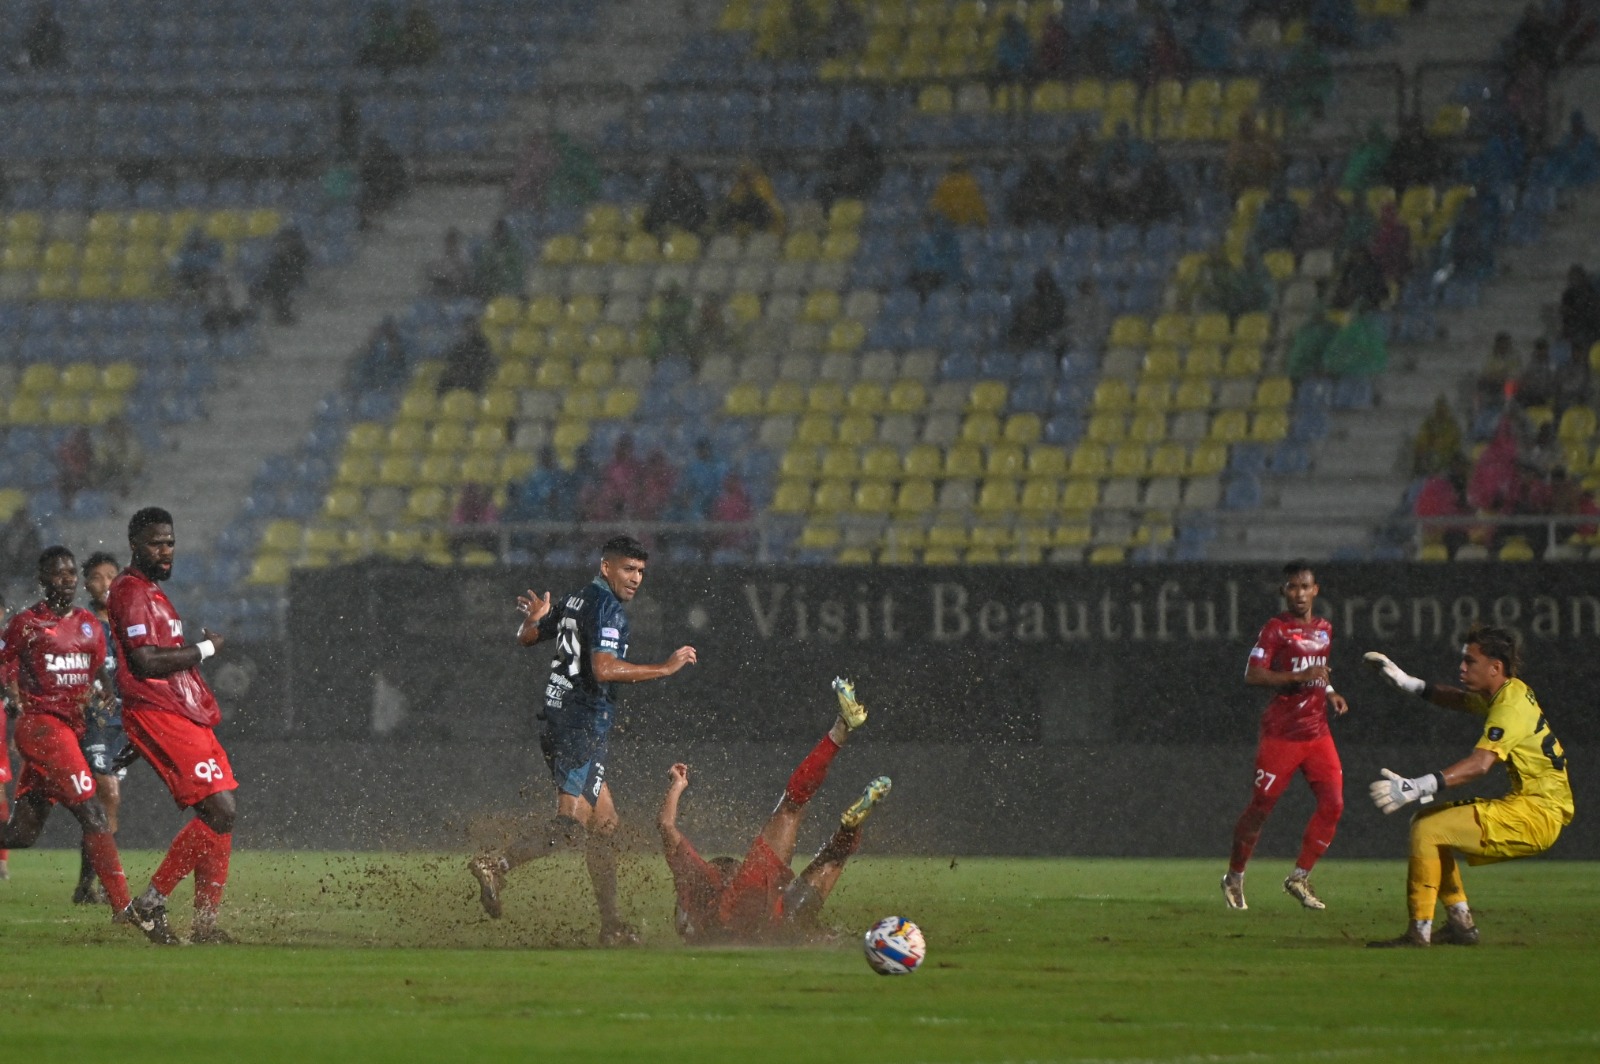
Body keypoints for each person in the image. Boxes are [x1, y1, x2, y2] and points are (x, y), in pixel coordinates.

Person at [468, 536, 698, 945]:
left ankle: (611, 925)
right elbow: (605, 669)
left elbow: (526, 637)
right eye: (629, 569)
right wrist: (664, 668)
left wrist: (533, 618)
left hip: (566, 719)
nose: (636, 579)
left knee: (605, 824)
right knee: (571, 826)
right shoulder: (607, 608)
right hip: (578, 726)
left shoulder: (577, 599)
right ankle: (496, 864)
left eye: (642, 571)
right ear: (606, 567)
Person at [1363, 625, 1573, 947]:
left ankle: (1418, 933)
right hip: (1534, 806)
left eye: (1470, 661)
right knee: (1427, 825)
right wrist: (1409, 683)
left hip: (1537, 814)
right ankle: (1461, 925)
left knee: (1428, 830)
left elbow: (1480, 764)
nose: (1462, 667)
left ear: (1495, 667)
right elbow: (1459, 700)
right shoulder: (1507, 691)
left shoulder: (1509, 706)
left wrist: (1418, 786)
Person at [659, 678, 891, 943]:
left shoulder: (693, 895)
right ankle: (841, 729)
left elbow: (665, 826)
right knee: (790, 807)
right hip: (747, 903)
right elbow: (665, 825)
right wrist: (677, 784)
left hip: (769, 922)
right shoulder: (706, 879)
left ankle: (850, 829)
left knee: (830, 862)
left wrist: (677, 786)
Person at [108, 507, 239, 945]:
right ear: (134, 546)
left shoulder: (153, 593)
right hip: (158, 711)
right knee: (219, 811)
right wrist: (205, 648)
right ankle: (150, 902)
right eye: (155, 543)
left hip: (182, 711)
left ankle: (204, 926)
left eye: (170, 542)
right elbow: (144, 662)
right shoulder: (128, 591)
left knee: (221, 816)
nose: (165, 551)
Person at [0, 548, 139, 932]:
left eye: (70, 573)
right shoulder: (26, 625)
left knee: (20, 834)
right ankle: (124, 907)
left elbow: (99, 669)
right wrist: (10, 693)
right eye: (57, 574)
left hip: (71, 730)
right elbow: (4, 661)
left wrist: (105, 691)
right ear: (43, 579)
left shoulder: (88, 625)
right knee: (93, 813)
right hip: (42, 727)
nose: (67, 579)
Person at [1222, 560, 1350, 912]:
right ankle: (1234, 875)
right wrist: (1298, 678)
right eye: (1292, 587)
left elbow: (1316, 670)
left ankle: (1299, 877)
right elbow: (1253, 674)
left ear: (1315, 590)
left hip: (1317, 733)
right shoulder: (1275, 629)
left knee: (1334, 804)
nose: (1299, 593)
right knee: (1261, 809)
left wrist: (1329, 692)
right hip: (1282, 734)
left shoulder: (1325, 628)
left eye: (1305, 586)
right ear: (1284, 592)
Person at [72, 552, 127, 906]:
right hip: (91, 720)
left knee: (104, 809)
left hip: (122, 725)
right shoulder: (82, 623)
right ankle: (110, 886)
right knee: (108, 794)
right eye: (97, 577)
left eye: (111, 576)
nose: (106, 583)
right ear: (86, 584)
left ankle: (85, 887)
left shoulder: (128, 622)